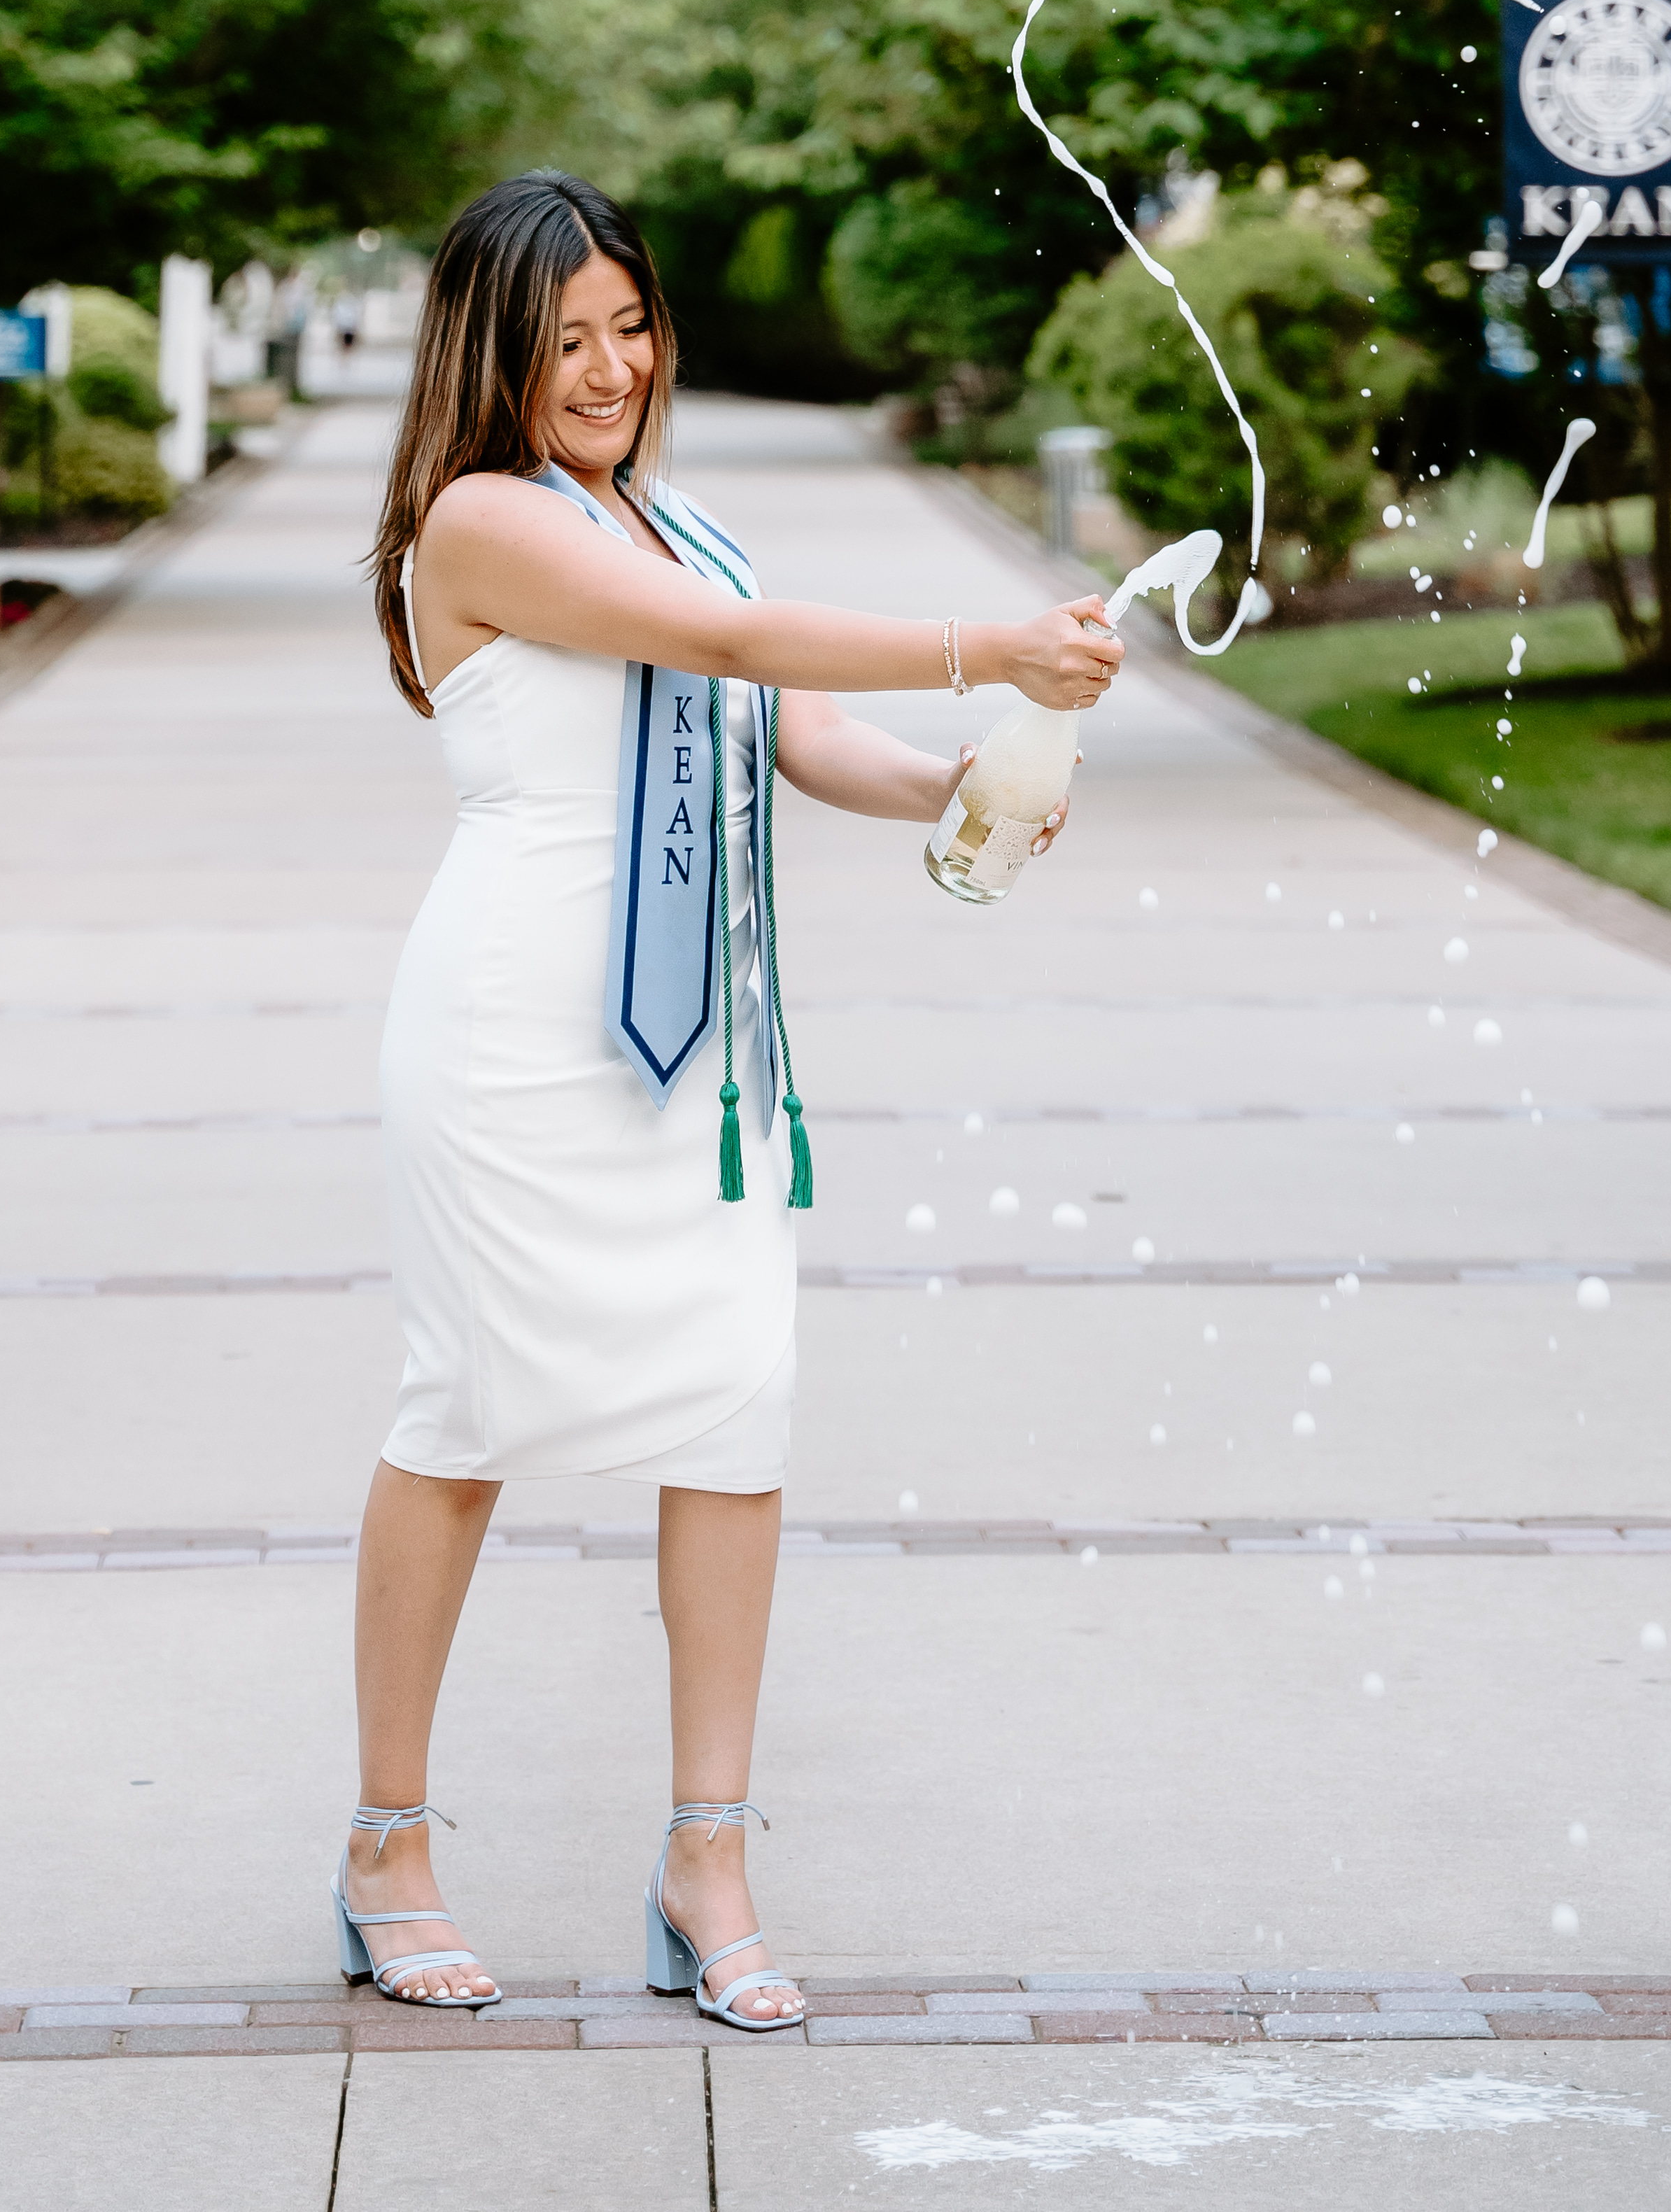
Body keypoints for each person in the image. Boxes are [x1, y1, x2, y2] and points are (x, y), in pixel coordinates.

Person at [339, 168, 1123, 2024]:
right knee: (466, 1419)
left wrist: (963, 773)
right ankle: (388, 1847)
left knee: (735, 1416)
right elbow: (722, 650)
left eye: (631, 326)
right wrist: (990, 642)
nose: (609, 368)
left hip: (696, 1050)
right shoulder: (481, 524)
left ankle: (710, 1856)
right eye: (567, 338)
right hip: (520, 1040)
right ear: (492, 351)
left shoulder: (668, 518)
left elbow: (791, 728)